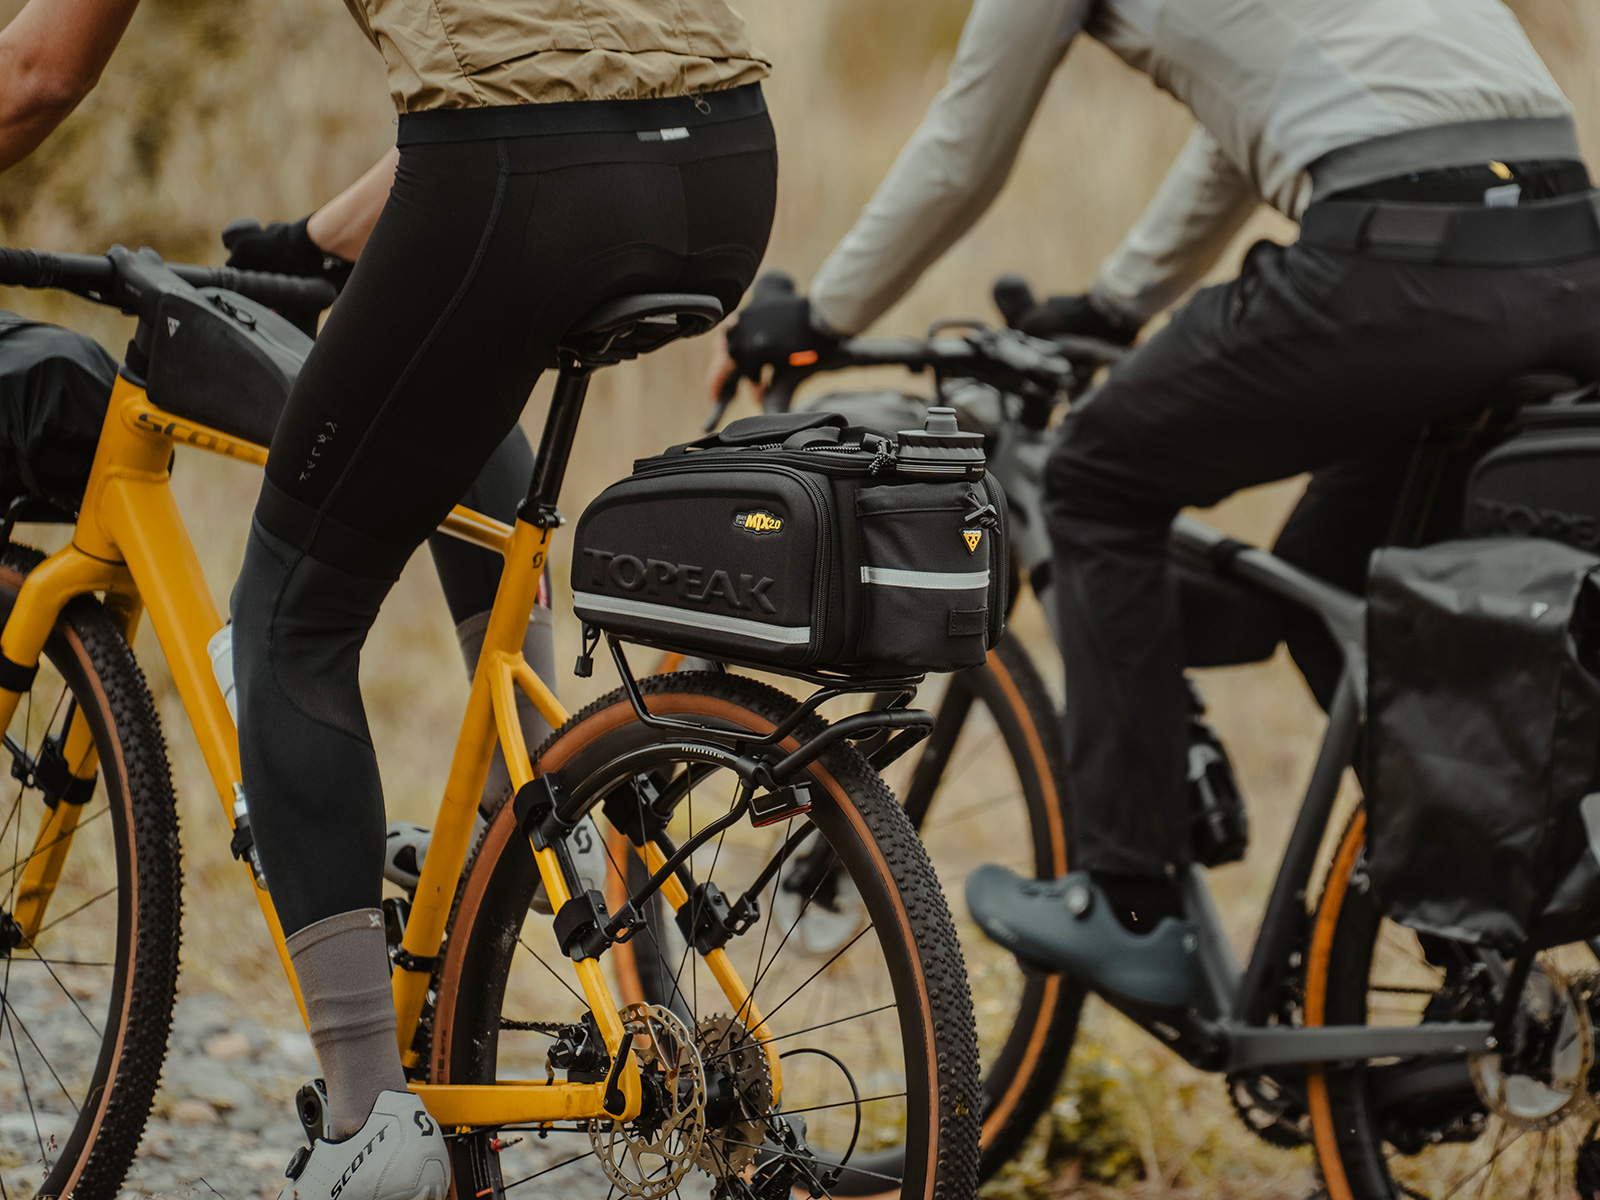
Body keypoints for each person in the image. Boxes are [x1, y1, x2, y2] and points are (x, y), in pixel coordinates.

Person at [0, 0, 776, 1196]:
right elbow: (531, 49)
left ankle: (367, 1120)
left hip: (529, 168)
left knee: (289, 620)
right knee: (453, 410)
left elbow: (38, 70)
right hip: (725, 154)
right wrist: (322, 242)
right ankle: (514, 858)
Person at [715, 0, 1600, 1008]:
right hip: (1570, 257)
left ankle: (1132, 902)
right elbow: (1254, 119)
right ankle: (1489, 978)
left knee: (1093, 481)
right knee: (1329, 598)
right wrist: (1114, 304)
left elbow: (963, 149)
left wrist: (817, 316)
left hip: (1402, 258)